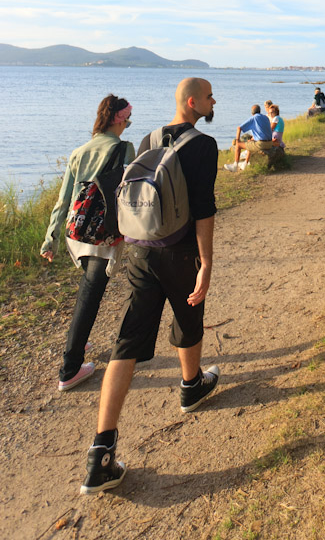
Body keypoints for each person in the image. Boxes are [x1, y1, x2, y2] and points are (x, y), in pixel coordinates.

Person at [79, 77, 219, 495]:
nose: (214, 101)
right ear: (192, 102)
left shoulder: (148, 139)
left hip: (141, 251)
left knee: (128, 341)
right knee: (189, 314)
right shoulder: (203, 146)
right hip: (179, 252)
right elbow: (203, 209)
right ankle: (190, 387)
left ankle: (101, 453)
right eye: (209, 96)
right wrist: (206, 263)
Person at [41, 95, 136, 391]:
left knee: (88, 289)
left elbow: (63, 200)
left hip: (76, 231)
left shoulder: (79, 151)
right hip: (103, 233)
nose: (127, 126)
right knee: (90, 295)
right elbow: (130, 194)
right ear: (119, 120)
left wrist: (50, 238)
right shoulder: (124, 149)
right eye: (127, 121)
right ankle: (69, 369)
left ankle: (78, 342)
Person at [224, 103, 272, 172]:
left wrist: (237, 140)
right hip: (269, 143)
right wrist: (252, 139)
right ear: (259, 111)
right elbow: (263, 132)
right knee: (250, 143)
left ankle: (235, 166)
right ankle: (245, 164)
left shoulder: (254, 118)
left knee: (238, 145)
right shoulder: (266, 117)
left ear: (252, 112)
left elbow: (239, 128)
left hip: (261, 144)